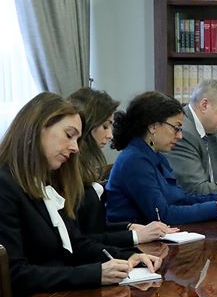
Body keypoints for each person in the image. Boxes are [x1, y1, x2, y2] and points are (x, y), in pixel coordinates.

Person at [0, 92, 160, 297]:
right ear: (36, 128)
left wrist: (129, 256)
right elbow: (12, 275)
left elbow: (76, 244)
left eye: (77, 139)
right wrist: (95, 274)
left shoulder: (46, 182)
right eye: (69, 135)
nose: (75, 148)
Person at [106, 91, 217, 225]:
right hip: (135, 248)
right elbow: (163, 215)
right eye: (176, 128)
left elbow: (181, 199)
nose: (180, 136)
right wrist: (216, 208)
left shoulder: (156, 156)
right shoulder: (134, 161)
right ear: (153, 127)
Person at [68, 87, 176, 246]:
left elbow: (92, 229)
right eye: (105, 126)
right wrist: (134, 236)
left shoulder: (83, 168)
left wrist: (128, 227)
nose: (110, 134)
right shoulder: (68, 172)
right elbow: (79, 239)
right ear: (88, 125)